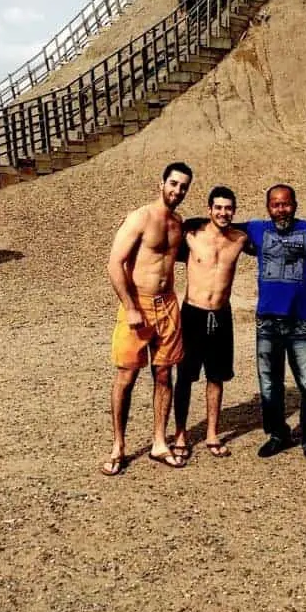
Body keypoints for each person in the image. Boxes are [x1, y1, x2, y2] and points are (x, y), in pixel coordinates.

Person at [102, 162, 193, 476]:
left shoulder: (178, 222)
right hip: (137, 305)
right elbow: (115, 263)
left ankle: (159, 442)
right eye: (173, 184)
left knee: (165, 375)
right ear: (161, 183)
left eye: (183, 187)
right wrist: (129, 306)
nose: (177, 191)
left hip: (168, 306)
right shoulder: (140, 217)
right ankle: (118, 446)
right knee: (126, 378)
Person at [243, 184, 306, 467]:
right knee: (270, 385)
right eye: (275, 204)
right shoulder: (256, 230)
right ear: (268, 206)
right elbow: (219, 225)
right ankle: (278, 434)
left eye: (286, 204)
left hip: (301, 322)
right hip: (267, 321)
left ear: (295, 204)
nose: (281, 209)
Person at [172, 186, 248, 461]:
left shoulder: (240, 239)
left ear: (234, 211)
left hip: (221, 314)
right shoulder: (192, 235)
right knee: (185, 376)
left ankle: (212, 433)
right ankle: (180, 433)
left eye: (228, 208)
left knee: (216, 377)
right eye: (218, 208)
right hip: (193, 313)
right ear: (209, 209)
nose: (223, 213)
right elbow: (166, 229)